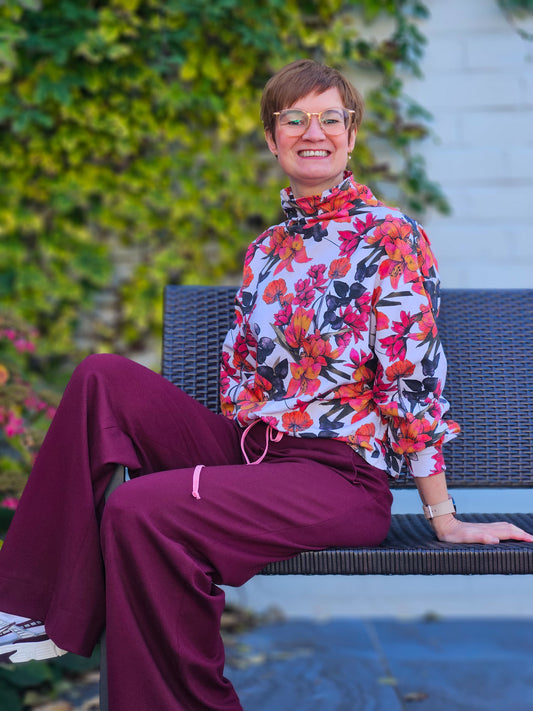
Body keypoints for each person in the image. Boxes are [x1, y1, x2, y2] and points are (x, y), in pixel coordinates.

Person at [0, 59, 531, 710]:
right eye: (294, 118)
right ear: (272, 138)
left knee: (140, 509)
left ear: (351, 135)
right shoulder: (266, 249)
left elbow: (411, 378)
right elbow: (241, 376)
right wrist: (225, 465)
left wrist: (442, 517)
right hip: (256, 453)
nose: (314, 131)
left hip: (338, 477)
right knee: (100, 376)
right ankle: (28, 609)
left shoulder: (389, 237)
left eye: (330, 117)